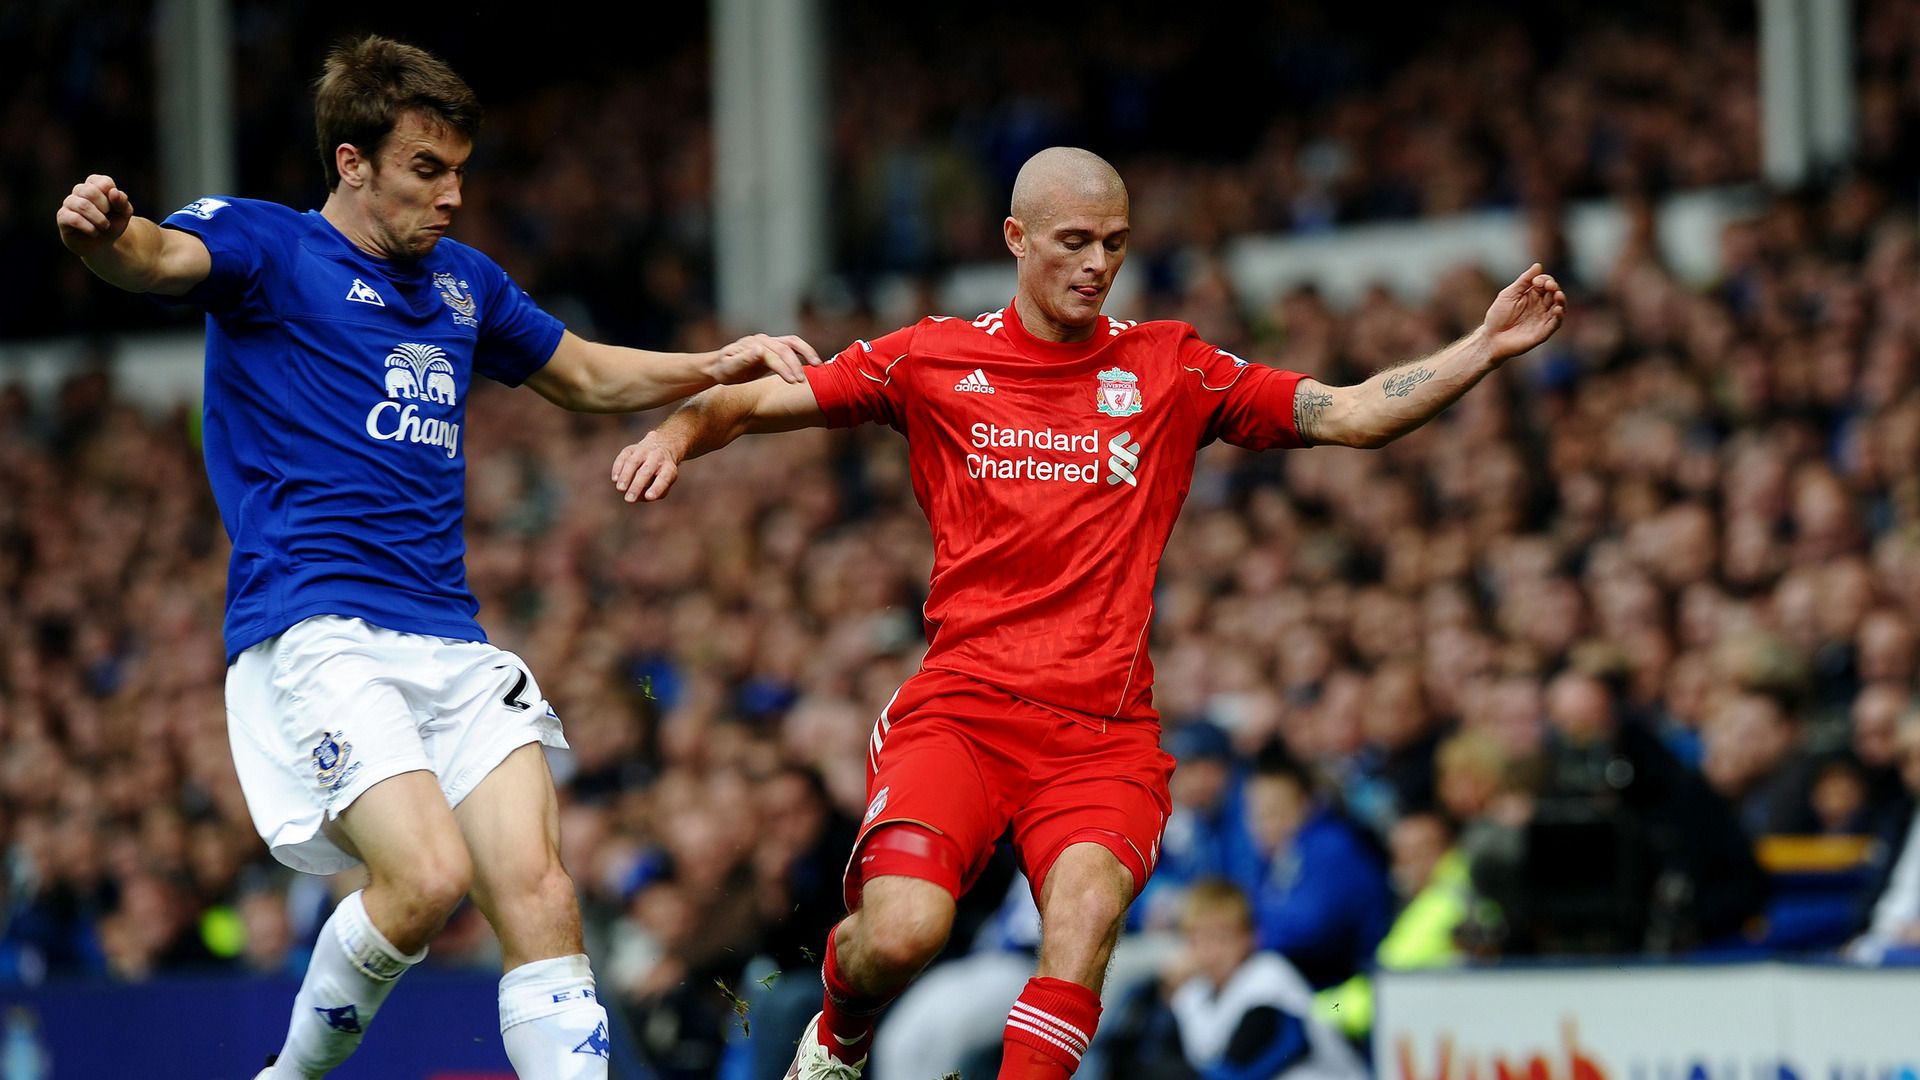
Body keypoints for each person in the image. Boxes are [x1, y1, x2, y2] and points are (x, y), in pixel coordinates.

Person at [611, 145, 1565, 1079]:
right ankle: (841, 1036)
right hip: (965, 713)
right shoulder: (935, 359)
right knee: (901, 933)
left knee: (1083, 927)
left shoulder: (1171, 368)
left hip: (1101, 737)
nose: (1098, 264)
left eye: (1114, 242)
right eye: (1074, 241)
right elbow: (746, 405)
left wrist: (1481, 348)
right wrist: (674, 430)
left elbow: (1351, 413)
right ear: (1016, 239)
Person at [54, 35, 816, 1079]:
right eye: (427, 169)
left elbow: (585, 376)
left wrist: (713, 360)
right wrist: (103, 233)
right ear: (352, 163)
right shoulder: (267, 247)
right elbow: (152, 257)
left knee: (542, 894)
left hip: (449, 640)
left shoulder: (466, 284)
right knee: (422, 880)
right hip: (317, 627)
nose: (453, 194)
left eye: (461, 170)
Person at [1105, 879, 1366, 1080]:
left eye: (1221, 937)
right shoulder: (1193, 993)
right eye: (1199, 938)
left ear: (1249, 938)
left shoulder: (1270, 978)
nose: (1210, 951)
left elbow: (1237, 1073)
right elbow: (1148, 1060)